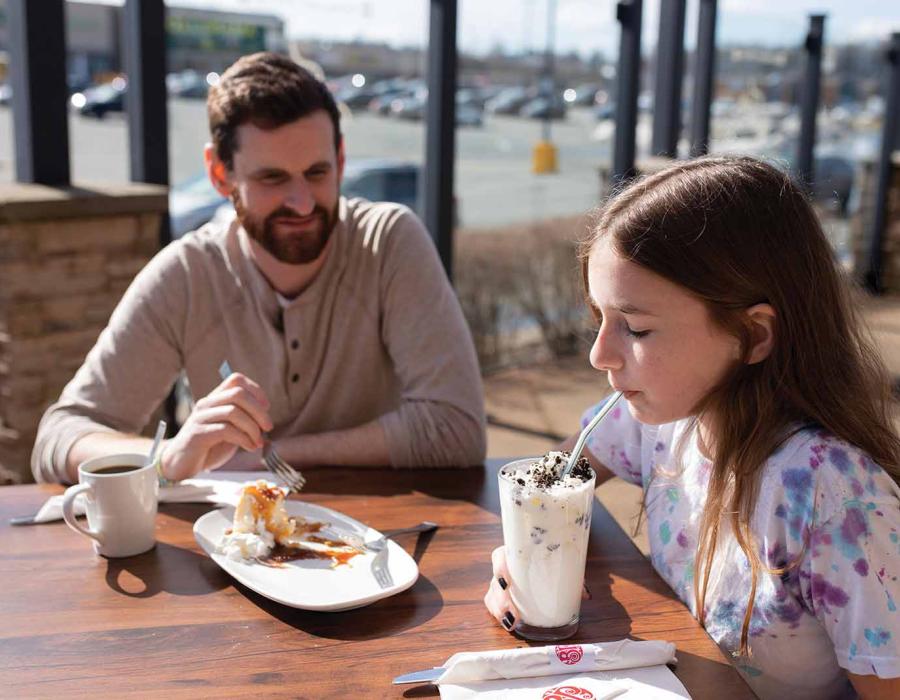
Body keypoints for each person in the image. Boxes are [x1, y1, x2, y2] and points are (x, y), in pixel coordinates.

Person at [484, 157, 900, 699]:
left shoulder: (834, 497)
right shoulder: (661, 420)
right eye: (599, 319)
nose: (598, 355)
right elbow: (548, 484)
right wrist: (521, 560)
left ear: (753, 335)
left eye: (636, 328)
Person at [32, 52, 485, 485]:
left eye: (317, 173)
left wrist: (274, 455)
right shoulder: (188, 274)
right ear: (219, 173)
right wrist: (167, 458)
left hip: (387, 547)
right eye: (272, 178)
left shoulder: (387, 242)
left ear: (341, 161)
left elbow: (457, 429)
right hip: (230, 550)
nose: (303, 203)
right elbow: (59, 437)